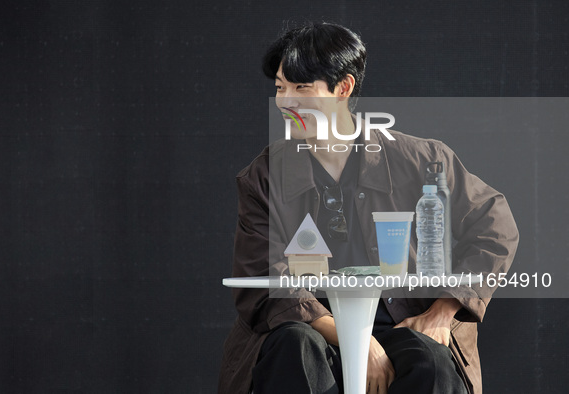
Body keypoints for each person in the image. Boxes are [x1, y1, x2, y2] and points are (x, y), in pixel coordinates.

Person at [218, 22, 519, 394]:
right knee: (294, 346)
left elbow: (495, 226)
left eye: (301, 87)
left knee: (431, 362)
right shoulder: (263, 176)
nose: (285, 101)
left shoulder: (421, 159)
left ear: (342, 88)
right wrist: (358, 342)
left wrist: (442, 313)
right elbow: (265, 286)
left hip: (399, 322)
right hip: (310, 328)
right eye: (280, 88)